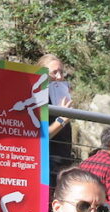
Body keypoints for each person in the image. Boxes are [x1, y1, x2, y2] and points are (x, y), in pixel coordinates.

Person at [37, 55, 75, 192]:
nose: (59, 77)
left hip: (63, 166)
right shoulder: (37, 100)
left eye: (62, 72)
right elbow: (40, 137)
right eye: (54, 72)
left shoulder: (58, 97)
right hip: (47, 165)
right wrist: (62, 119)